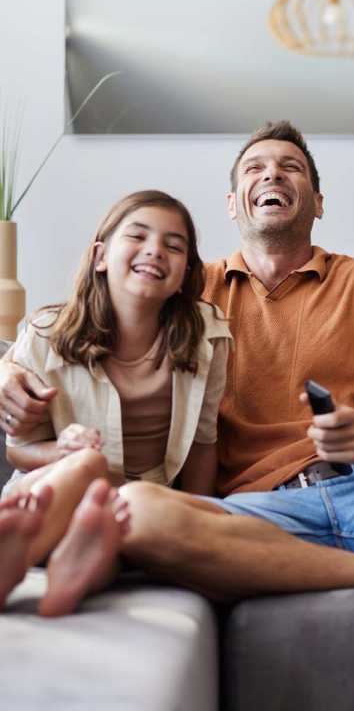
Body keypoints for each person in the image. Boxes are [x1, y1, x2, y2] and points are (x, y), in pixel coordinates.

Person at [0, 122, 354, 711]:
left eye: (291, 167)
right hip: (256, 510)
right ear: (232, 203)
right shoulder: (188, 289)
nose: (273, 175)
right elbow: (88, 326)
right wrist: (6, 371)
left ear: (317, 200)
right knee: (136, 511)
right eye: (255, 168)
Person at [1, 190, 229, 615]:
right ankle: (21, 548)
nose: (155, 251)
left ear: (185, 273)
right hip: (53, 487)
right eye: (138, 236)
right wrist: (62, 451)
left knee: (116, 526)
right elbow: (17, 448)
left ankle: (78, 565)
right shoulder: (47, 334)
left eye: (173, 245)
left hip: (134, 500)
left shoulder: (207, 338)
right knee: (87, 467)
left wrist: (199, 516)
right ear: (100, 256)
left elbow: (203, 443)